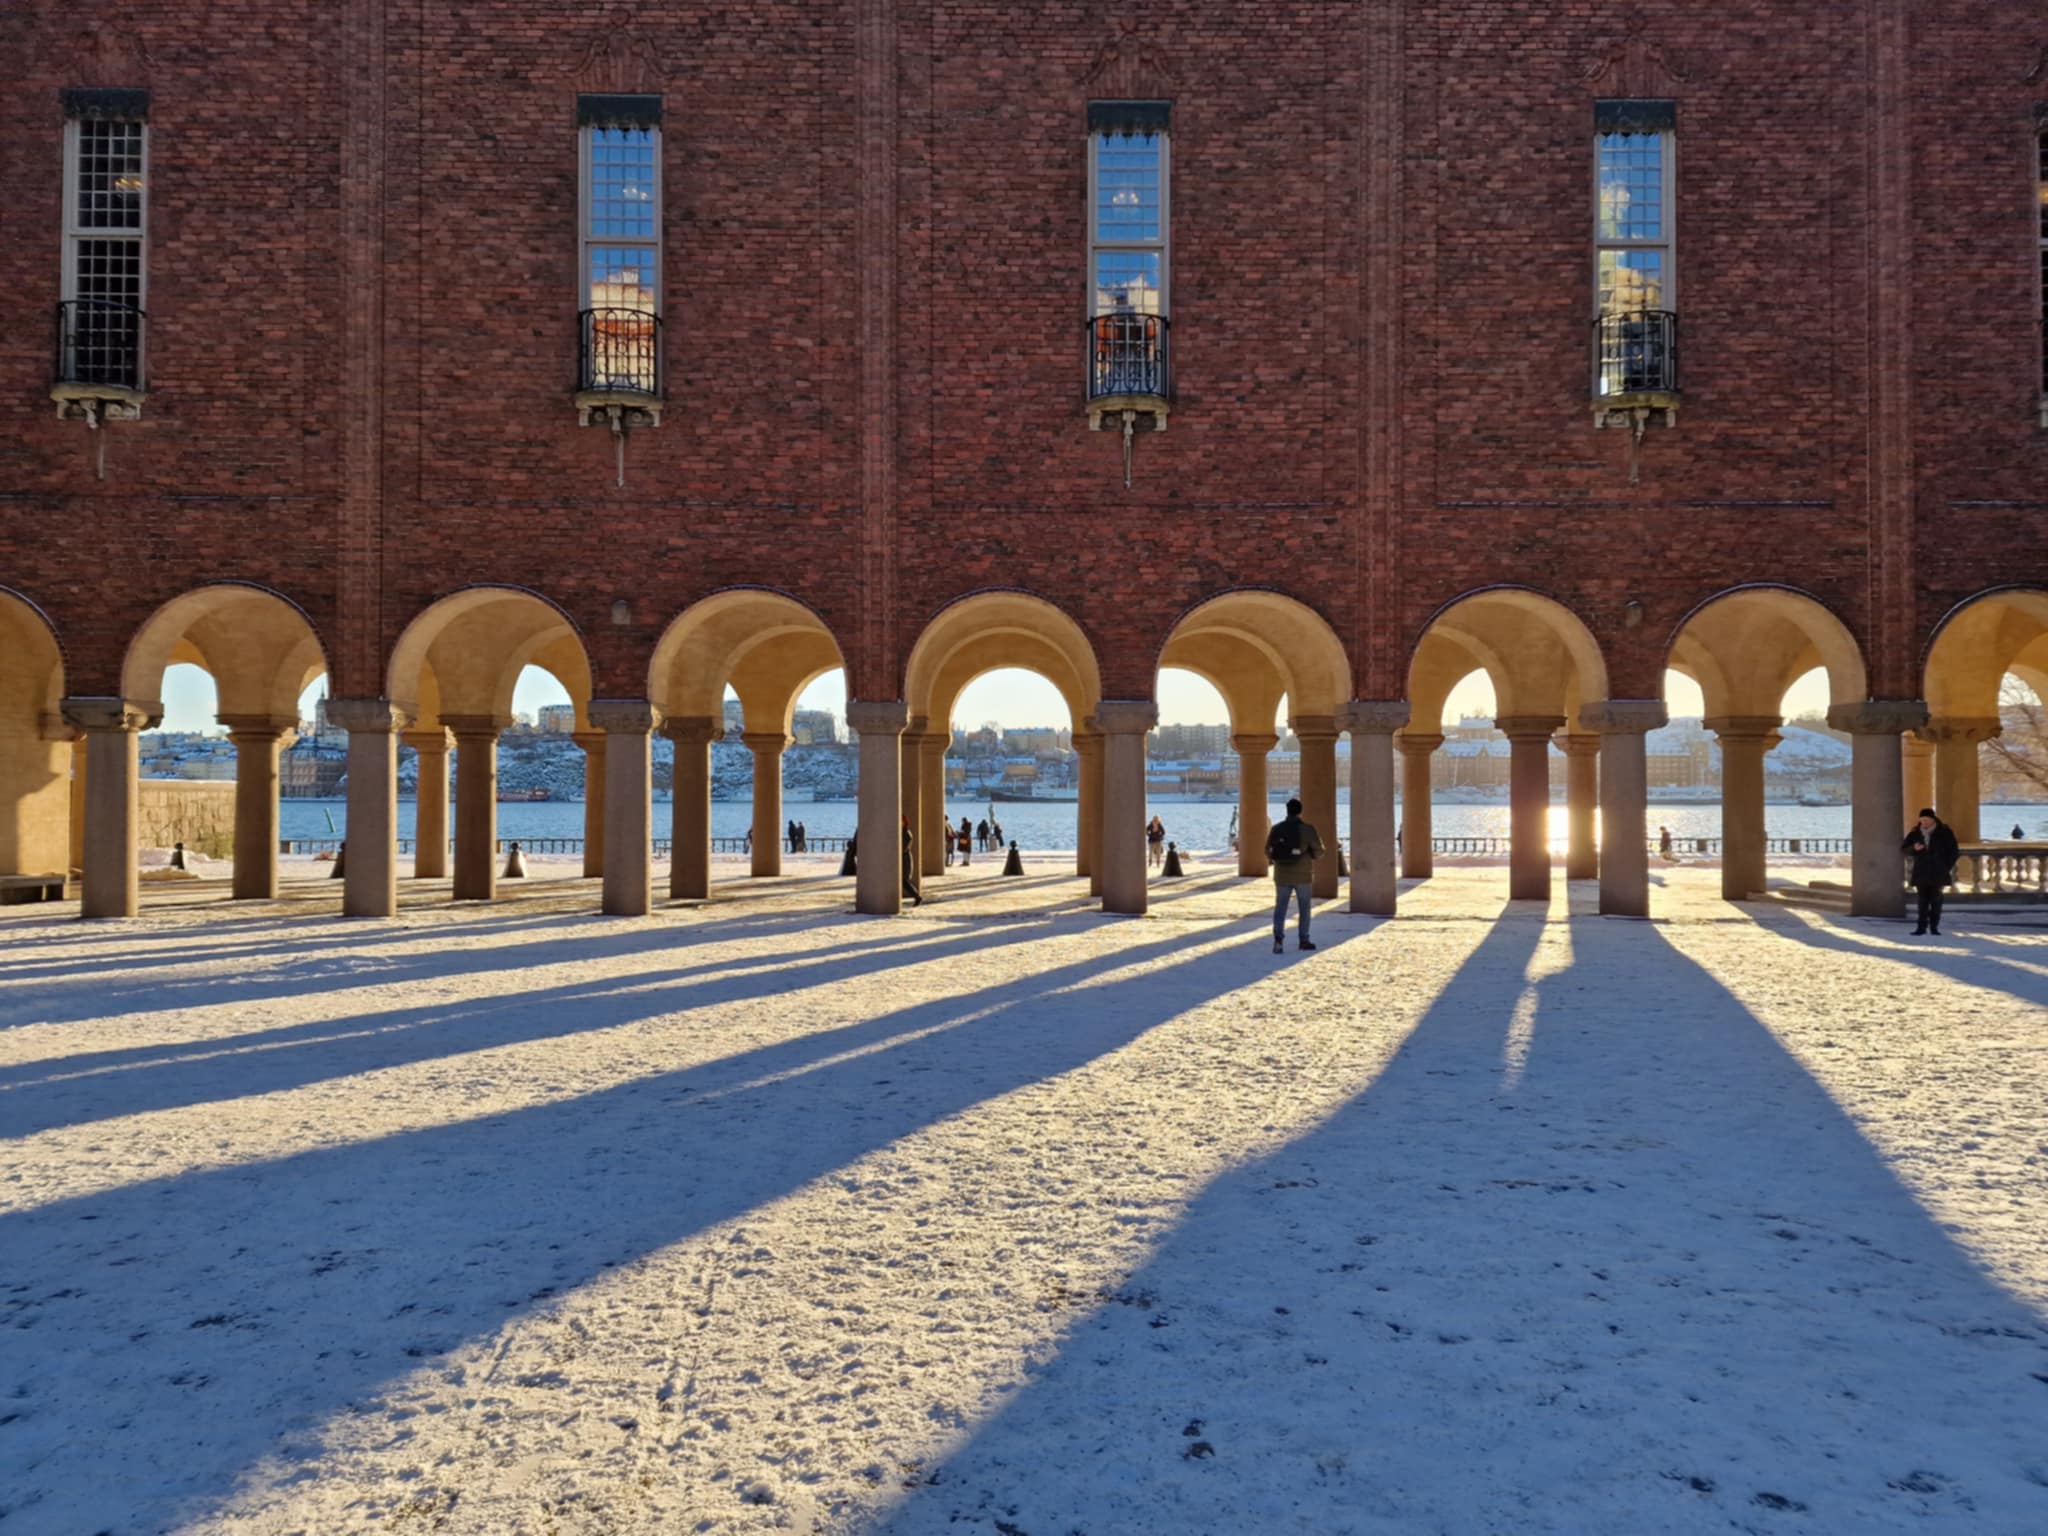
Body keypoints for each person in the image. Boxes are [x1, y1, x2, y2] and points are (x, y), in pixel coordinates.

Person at [1267, 797, 1325, 953]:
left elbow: (1268, 851)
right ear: (1300, 811)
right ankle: (1304, 940)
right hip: (1303, 876)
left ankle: (1278, 940)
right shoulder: (1308, 830)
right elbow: (1319, 852)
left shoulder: (1277, 829)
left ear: (1287, 811)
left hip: (1282, 875)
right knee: (1304, 908)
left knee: (1280, 908)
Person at [1902, 807, 1959, 936]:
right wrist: (1914, 848)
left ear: (1933, 819)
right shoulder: (1916, 832)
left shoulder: (1944, 832)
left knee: (1936, 900)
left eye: (1926, 820)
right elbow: (1904, 848)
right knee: (1922, 901)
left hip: (1938, 872)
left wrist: (1945, 866)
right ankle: (1921, 927)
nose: (1924, 823)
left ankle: (1934, 927)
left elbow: (1954, 851)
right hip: (1921, 871)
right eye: (1922, 820)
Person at [902, 817, 923, 905]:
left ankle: (917, 896)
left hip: (905, 859)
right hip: (903, 859)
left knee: (904, 881)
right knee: (904, 881)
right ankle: (916, 896)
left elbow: (903, 848)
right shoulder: (903, 832)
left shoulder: (906, 833)